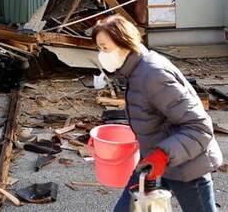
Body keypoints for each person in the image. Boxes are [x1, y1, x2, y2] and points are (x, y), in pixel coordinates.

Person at [92, 15, 223, 212]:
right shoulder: (135, 71)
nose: (101, 54)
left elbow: (199, 127)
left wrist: (162, 155)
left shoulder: (153, 75)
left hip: (187, 167)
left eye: (104, 47)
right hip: (154, 162)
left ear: (124, 43)